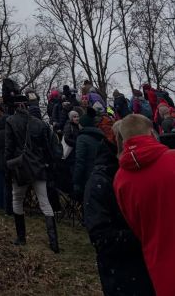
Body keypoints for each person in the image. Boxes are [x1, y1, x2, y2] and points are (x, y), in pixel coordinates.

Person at [83, 117, 154, 296]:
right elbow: (101, 237)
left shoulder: (143, 169)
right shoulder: (101, 180)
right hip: (122, 275)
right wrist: (147, 235)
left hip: (150, 270)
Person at [113, 114, 175, 295]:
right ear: (151, 132)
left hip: (159, 262)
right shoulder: (172, 159)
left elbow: (135, 225)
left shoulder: (119, 179)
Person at [5, 100, 62, 252]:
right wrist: (48, 164)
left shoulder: (11, 121)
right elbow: (47, 147)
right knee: (44, 202)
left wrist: (8, 166)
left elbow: (9, 147)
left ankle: (21, 237)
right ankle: (54, 243)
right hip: (38, 165)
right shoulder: (40, 123)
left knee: (17, 199)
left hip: (21, 166)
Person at [73, 109, 104, 197]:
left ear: (83, 124)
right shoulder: (100, 135)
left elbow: (80, 160)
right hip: (101, 173)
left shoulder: (82, 138)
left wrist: (76, 181)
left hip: (88, 175)